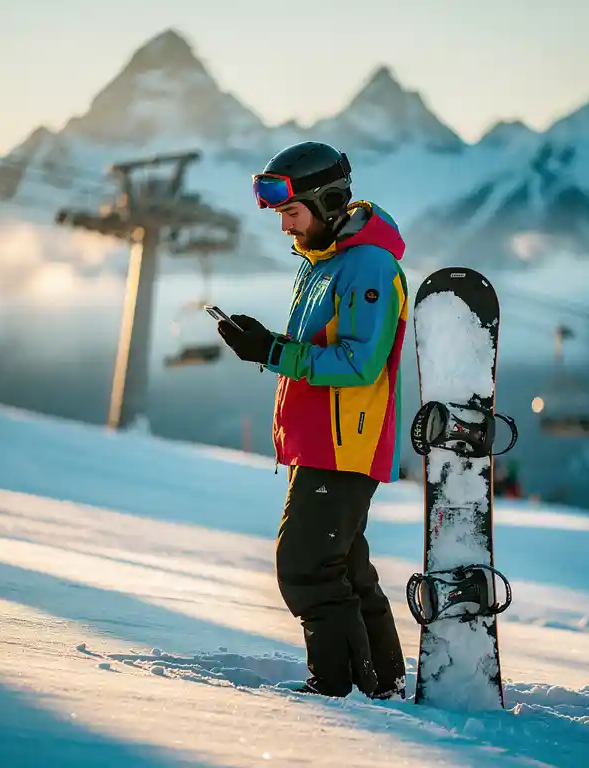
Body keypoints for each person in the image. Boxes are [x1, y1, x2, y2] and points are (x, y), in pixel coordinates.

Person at [215, 141, 409, 700]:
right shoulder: (321, 260)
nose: (285, 228)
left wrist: (272, 353)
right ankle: (384, 686)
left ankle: (338, 688)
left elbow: (358, 362)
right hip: (319, 442)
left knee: (305, 565)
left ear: (328, 203)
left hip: (345, 446)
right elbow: (313, 347)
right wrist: (266, 342)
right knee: (345, 568)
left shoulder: (368, 265)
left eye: (291, 213)